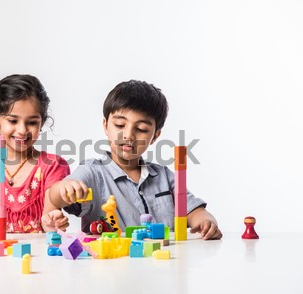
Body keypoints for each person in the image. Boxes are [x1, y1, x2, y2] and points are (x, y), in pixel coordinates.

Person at [48, 80, 222, 240]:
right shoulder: (92, 171)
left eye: (141, 128)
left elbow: (193, 211)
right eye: (120, 125)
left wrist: (206, 221)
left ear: (155, 136)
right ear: (105, 126)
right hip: (112, 266)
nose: (129, 135)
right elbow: (55, 196)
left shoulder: (164, 177)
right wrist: (65, 188)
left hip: (162, 266)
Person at [0, 74, 70, 234]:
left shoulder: (52, 165)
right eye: (13, 121)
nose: (22, 130)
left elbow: (48, 225)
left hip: (36, 257)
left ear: (42, 123)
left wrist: (53, 223)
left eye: (32, 122)